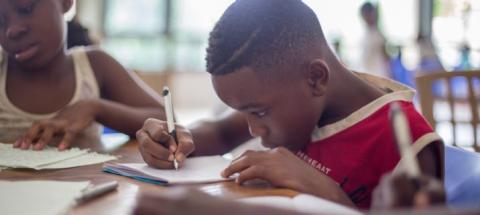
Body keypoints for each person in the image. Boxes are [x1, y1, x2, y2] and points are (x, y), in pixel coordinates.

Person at [135, 0, 444, 209]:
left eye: (258, 112)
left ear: (315, 78)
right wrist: (177, 137)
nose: (252, 128)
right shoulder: (295, 98)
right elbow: (220, 132)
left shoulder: (408, 143)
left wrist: (325, 190)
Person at [0, 0, 165, 150]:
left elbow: (167, 121)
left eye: (26, 9)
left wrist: (96, 108)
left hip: (88, 182)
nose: (12, 30)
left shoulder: (95, 66)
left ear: (66, 3)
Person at [359, 2, 391, 78]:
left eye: (368, 14)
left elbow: (386, 58)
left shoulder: (378, 35)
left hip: (380, 75)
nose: (366, 17)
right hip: (368, 75)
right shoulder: (365, 35)